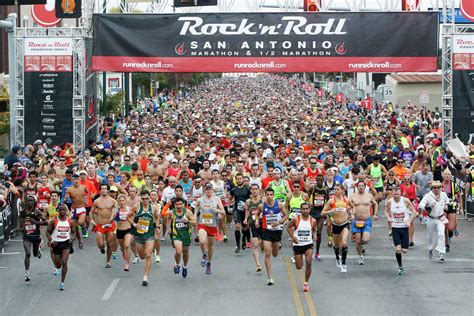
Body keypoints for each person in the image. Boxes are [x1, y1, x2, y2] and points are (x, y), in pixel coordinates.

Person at [256, 187, 288, 285]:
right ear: (265, 195)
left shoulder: (279, 204)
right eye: (267, 195)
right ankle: (270, 277)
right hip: (266, 231)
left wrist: (279, 222)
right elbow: (257, 215)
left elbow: (286, 216)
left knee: (275, 254)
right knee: (267, 252)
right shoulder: (262, 206)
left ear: (273, 195)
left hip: (277, 231)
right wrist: (257, 220)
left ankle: (277, 245)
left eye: (271, 195)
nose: (269, 196)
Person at [128, 190, 161, 285]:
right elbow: (128, 217)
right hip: (139, 235)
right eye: (143, 199)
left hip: (149, 235)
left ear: (149, 198)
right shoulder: (136, 207)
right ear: (140, 199)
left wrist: (157, 227)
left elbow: (157, 217)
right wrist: (135, 224)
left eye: (147, 198)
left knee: (148, 255)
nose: (145, 200)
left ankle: (145, 276)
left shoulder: (153, 207)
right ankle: (144, 256)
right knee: (142, 256)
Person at [322, 183, 354, 273]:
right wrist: (330, 211)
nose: (335, 191)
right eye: (334, 189)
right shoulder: (331, 201)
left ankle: (344, 264)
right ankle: (337, 258)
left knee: (344, 243)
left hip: (345, 223)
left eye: (337, 189)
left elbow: (353, 207)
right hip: (335, 225)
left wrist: (352, 215)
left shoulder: (346, 200)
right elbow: (322, 213)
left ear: (342, 191)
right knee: (336, 245)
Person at [385, 186, 417, 275]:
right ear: (392, 194)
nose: (396, 196)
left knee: (405, 251)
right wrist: (388, 217)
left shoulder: (405, 201)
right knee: (398, 249)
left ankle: (403, 250)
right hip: (395, 227)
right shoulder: (390, 201)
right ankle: (400, 267)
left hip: (404, 228)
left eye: (398, 194)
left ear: (401, 193)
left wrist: (409, 221)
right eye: (394, 194)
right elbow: (386, 210)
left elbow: (414, 212)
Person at [195, 182, 225, 274]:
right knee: (202, 240)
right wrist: (194, 218)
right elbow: (195, 211)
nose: (208, 191)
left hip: (212, 225)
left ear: (212, 190)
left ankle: (209, 263)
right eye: (207, 189)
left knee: (211, 246)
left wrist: (216, 210)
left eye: (210, 189)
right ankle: (204, 254)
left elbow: (223, 212)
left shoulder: (216, 199)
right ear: (204, 190)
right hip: (202, 224)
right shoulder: (200, 200)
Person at [287, 202, 317, 292]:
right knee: (299, 267)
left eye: (306, 208)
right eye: (303, 209)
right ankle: (295, 255)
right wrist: (293, 237)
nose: (305, 210)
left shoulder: (313, 220)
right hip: (298, 244)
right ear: (301, 209)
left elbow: (314, 230)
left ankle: (306, 283)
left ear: (309, 209)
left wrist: (314, 235)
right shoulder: (296, 219)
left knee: (308, 262)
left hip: (308, 244)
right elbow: (288, 227)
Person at [418, 181, 450, 262]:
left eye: (438, 187)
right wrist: (428, 206)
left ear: (440, 188)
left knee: (441, 234)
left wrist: (446, 206)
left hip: (440, 218)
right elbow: (421, 205)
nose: (436, 189)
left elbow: (447, 201)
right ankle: (430, 249)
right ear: (432, 188)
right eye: (434, 187)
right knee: (430, 236)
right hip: (431, 218)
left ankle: (440, 252)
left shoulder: (443, 194)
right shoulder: (428, 196)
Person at [46, 203, 75, 290]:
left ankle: (62, 282)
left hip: (66, 243)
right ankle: (58, 268)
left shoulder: (70, 221)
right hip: (56, 244)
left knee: (65, 262)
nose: (62, 211)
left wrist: (72, 239)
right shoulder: (54, 221)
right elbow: (47, 232)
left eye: (64, 210)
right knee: (58, 264)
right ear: (57, 211)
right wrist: (51, 240)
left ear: (66, 211)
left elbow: (73, 232)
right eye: (61, 210)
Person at [349, 181, 378, 265]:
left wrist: (375, 214)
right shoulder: (353, 196)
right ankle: (360, 256)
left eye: (362, 186)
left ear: (365, 187)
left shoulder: (369, 196)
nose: (361, 187)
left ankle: (362, 244)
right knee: (357, 241)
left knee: (365, 239)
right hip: (356, 220)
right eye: (359, 186)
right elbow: (348, 205)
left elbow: (375, 204)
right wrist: (351, 213)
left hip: (366, 220)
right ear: (357, 187)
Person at [90, 184, 118, 268]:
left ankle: (108, 262)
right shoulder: (97, 201)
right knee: (100, 244)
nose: (103, 190)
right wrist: (91, 220)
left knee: (110, 244)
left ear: (108, 190)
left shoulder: (113, 201)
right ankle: (102, 248)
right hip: (100, 224)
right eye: (102, 189)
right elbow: (91, 212)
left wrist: (113, 214)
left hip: (110, 224)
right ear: (100, 190)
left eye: (105, 189)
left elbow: (116, 209)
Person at [20, 195, 47, 282]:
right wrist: (21, 227)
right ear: (26, 202)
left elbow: (46, 223)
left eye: (31, 201)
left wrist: (35, 222)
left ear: (34, 202)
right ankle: (27, 273)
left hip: (35, 237)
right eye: (28, 201)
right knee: (28, 253)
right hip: (26, 236)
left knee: (35, 254)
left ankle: (38, 249)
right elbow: (20, 222)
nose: (30, 202)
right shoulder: (23, 212)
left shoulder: (37, 212)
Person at [170, 197, 197, 278]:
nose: (179, 206)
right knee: (178, 251)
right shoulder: (171, 213)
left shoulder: (188, 212)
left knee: (185, 253)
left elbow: (195, 223)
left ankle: (184, 266)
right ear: (174, 205)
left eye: (180, 204)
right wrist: (169, 229)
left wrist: (188, 221)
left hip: (186, 235)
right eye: (177, 204)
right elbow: (168, 220)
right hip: (176, 235)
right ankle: (177, 264)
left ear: (184, 205)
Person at [63, 174, 88, 249]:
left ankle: (84, 227)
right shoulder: (69, 189)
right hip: (74, 210)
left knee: (80, 222)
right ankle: (80, 241)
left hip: (81, 208)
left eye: (77, 179)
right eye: (74, 179)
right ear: (72, 180)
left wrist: (86, 199)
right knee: (74, 228)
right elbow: (65, 198)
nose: (76, 181)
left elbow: (87, 192)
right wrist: (65, 199)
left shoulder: (83, 187)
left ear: (79, 179)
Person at [308, 174, 328, 261]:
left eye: (321, 180)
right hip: (313, 212)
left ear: (323, 180)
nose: (319, 182)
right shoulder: (312, 188)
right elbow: (307, 196)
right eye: (318, 180)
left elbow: (328, 200)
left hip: (321, 212)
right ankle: (309, 249)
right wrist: (309, 205)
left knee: (319, 232)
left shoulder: (325, 189)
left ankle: (317, 252)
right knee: (311, 231)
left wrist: (326, 211)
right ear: (316, 180)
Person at [229, 173, 251, 253]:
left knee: (245, 228)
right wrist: (229, 207)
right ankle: (238, 246)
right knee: (237, 227)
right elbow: (230, 198)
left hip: (245, 211)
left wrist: (248, 205)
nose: (239, 180)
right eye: (237, 179)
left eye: (240, 179)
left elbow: (251, 199)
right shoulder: (233, 190)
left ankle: (244, 241)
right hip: (236, 210)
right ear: (236, 180)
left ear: (242, 179)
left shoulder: (247, 189)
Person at [243, 183, 263, 272]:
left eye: (256, 189)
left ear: (259, 190)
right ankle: (258, 265)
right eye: (253, 189)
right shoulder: (248, 201)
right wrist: (246, 219)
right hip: (253, 224)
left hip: (263, 224)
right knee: (255, 245)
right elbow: (247, 211)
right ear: (251, 190)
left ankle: (262, 244)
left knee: (263, 244)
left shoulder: (263, 200)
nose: (254, 191)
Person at [115, 194, 133, 271]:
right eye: (120, 201)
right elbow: (112, 218)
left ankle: (127, 264)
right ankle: (123, 252)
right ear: (118, 202)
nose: (122, 202)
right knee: (123, 248)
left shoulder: (129, 209)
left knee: (126, 246)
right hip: (119, 230)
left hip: (128, 230)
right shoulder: (116, 210)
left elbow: (134, 217)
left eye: (123, 200)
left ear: (125, 201)